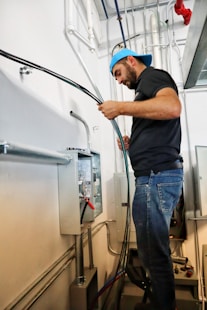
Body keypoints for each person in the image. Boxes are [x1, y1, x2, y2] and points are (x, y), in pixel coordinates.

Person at [98, 48, 183, 310]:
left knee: (153, 254)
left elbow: (171, 107)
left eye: (118, 73)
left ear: (131, 61)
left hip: (156, 177)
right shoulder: (145, 89)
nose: (118, 80)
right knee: (150, 250)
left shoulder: (152, 78)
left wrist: (121, 108)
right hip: (155, 176)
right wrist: (133, 144)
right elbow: (158, 123)